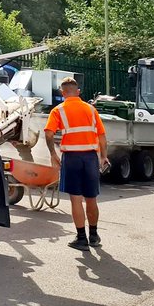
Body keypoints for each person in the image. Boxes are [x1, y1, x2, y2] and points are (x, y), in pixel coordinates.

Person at [45, 77, 109, 251]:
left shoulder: (59, 110)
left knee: (75, 200)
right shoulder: (91, 109)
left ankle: (81, 238)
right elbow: (102, 136)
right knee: (91, 199)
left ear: (62, 93)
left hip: (72, 158)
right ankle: (94, 236)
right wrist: (103, 156)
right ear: (78, 91)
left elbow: (49, 134)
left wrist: (53, 154)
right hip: (90, 157)